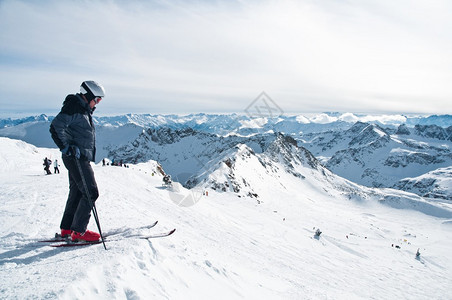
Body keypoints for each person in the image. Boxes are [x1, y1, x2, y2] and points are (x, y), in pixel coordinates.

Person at [49, 80, 105, 242]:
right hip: (77, 158)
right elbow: (55, 127)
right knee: (91, 192)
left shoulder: (82, 109)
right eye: (98, 99)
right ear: (88, 96)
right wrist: (66, 147)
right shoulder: (75, 108)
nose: (98, 103)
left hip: (76, 157)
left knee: (77, 191)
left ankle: (67, 228)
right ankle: (79, 232)